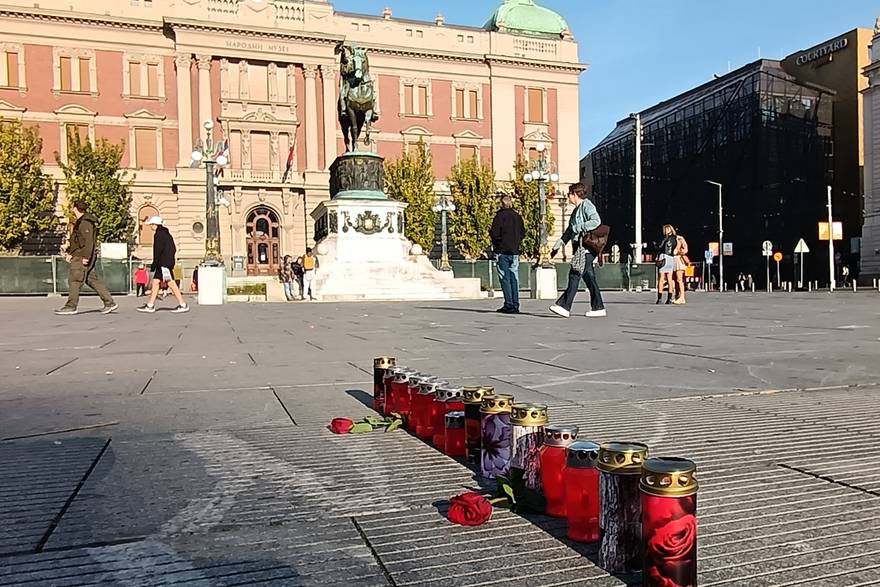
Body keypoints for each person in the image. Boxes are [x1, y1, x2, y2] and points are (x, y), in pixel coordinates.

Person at [549, 183, 606, 318]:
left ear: (575, 194)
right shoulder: (576, 210)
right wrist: (558, 245)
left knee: (575, 273)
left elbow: (596, 221)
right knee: (589, 277)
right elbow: (569, 231)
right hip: (578, 246)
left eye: (569, 194)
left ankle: (564, 306)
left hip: (585, 246)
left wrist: (579, 227)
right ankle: (598, 307)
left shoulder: (587, 206)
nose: (568, 197)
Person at [55, 200, 118, 315]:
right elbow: (78, 241)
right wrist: (70, 252)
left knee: (75, 280)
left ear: (75, 208)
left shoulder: (85, 223)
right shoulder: (82, 222)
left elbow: (88, 242)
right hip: (80, 254)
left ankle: (71, 306)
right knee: (91, 279)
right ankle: (109, 302)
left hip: (81, 256)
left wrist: (85, 256)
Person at [137, 216, 189, 313]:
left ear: (155, 225)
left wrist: (154, 263)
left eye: (151, 225)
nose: (150, 227)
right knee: (156, 282)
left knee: (171, 283)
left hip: (163, 264)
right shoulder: (167, 234)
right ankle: (150, 305)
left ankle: (183, 304)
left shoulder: (159, 235)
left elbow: (157, 251)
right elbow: (173, 249)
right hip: (166, 263)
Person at [489, 195, 525, 314]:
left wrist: (497, 244)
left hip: (502, 251)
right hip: (514, 251)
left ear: (501, 204)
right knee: (514, 277)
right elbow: (522, 233)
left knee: (505, 278)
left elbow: (494, 233)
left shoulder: (499, 217)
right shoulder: (517, 216)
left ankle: (509, 303)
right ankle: (515, 303)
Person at [656, 225, 678, 305]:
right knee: (669, 278)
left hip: (663, 257)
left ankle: (659, 298)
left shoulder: (664, 238)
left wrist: (663, 239)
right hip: (671, 258)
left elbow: (659, 246)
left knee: (661, 278)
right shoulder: (675, 238)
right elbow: (675, 248)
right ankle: (669, 298)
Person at [673, 230, 689, 304]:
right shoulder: (667, 239)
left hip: (679, 259)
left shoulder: (679, 238)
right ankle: (677, 296)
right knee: (674, 279)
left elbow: (685, 249)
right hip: (672, 259)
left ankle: (682, 297)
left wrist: (679, 251)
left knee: (679, 279)